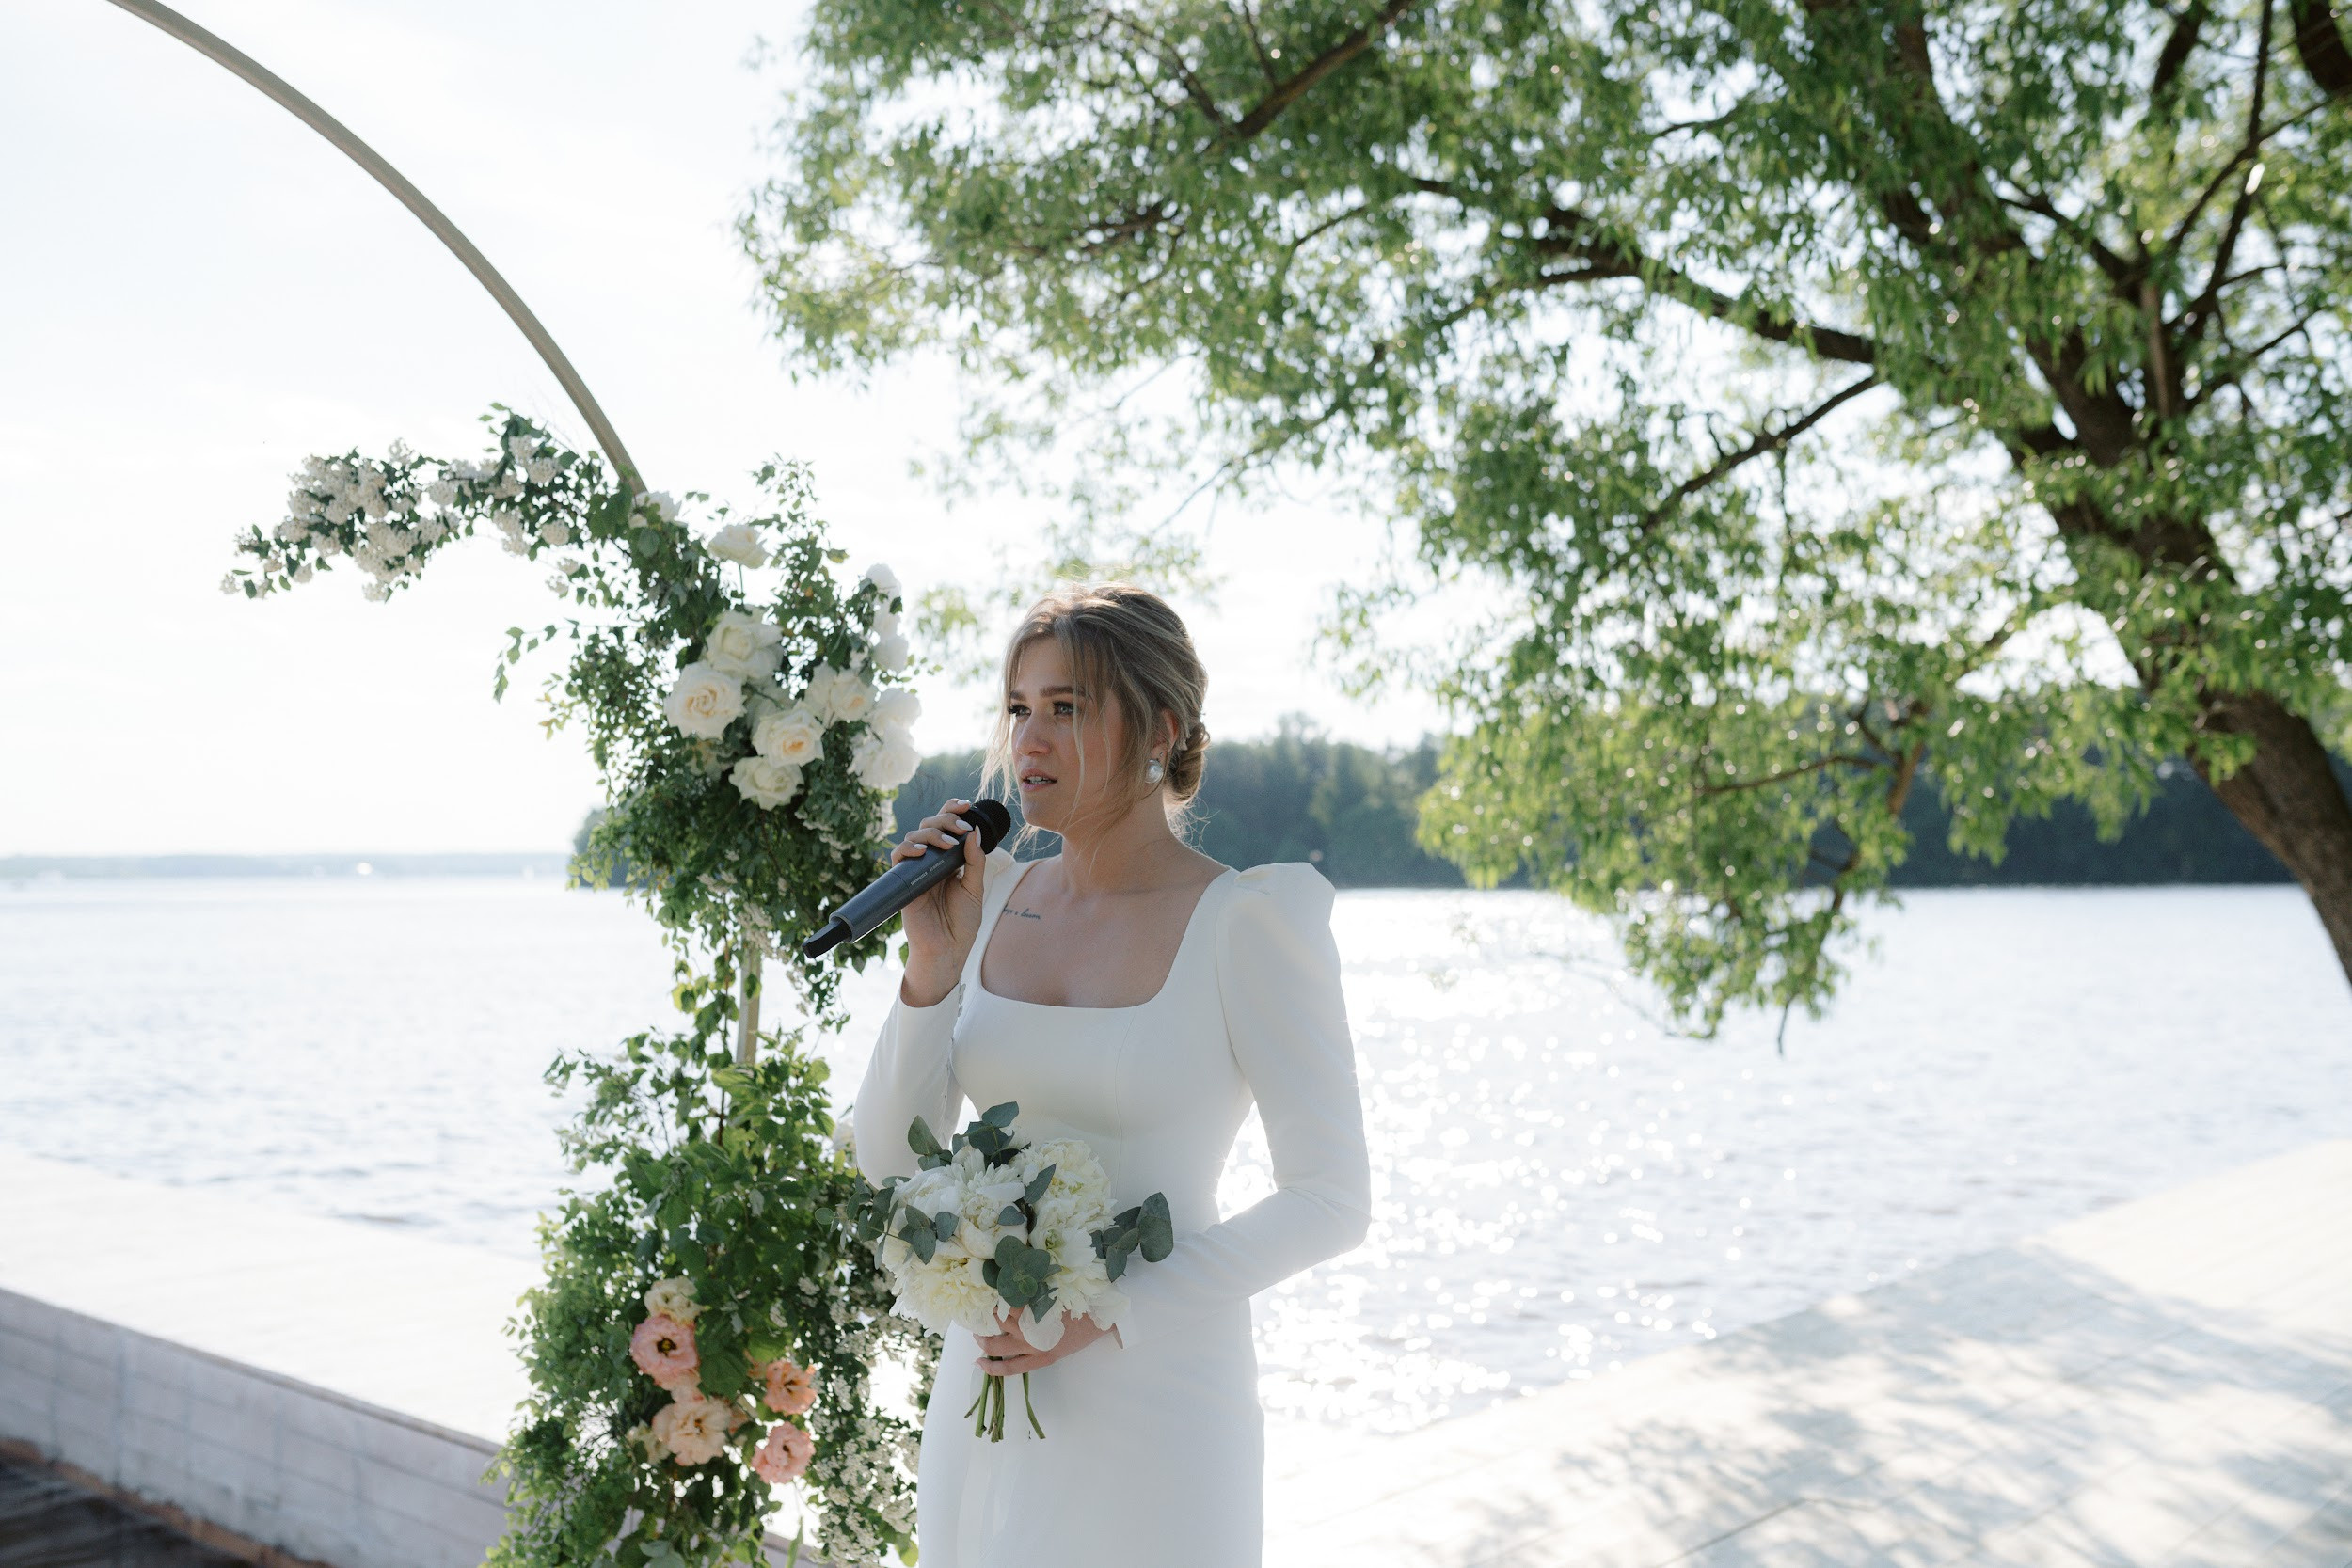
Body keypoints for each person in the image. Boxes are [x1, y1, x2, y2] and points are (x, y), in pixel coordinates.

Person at [851, 582, 1373, 1567]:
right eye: (1018, 707)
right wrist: (929, 973)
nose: (1030, 739)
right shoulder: (987, 896)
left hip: (1161, 1392)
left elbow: (1330, 1197)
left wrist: (1104, 1309)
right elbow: (888, 1159)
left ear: (1160, 729)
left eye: (1067, 707)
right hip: (991, 1381)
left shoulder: (1248, 921)